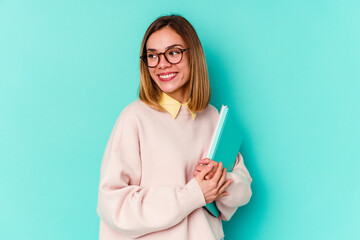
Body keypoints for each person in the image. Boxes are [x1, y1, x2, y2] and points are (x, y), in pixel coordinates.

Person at [97, 15, 252, 240]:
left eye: (173, 52)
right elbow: (113, 205)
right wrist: (193, 194)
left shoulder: (211, 117)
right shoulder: (135, 118)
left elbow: (243, 189)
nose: (162, 64)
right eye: (153, 56)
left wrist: (219, 180)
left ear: (193, 55)